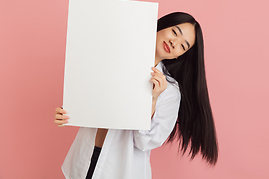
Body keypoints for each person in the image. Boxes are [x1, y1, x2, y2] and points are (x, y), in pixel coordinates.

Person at [54, 12, 218, 179]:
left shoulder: (169, 91)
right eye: (175, 32)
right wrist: (69, 111)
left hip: (120, 170)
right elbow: (90, 99)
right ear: (159, 27)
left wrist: (152, 100)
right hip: (84, 158)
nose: (174, 43)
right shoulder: (115, 58)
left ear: (178, 56)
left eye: (183, 46)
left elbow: (145, 142)